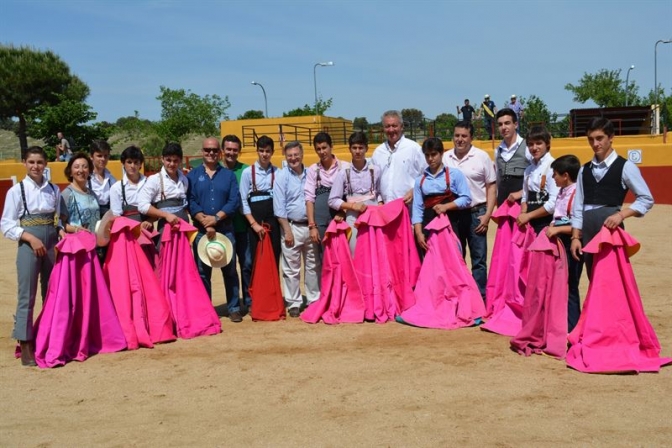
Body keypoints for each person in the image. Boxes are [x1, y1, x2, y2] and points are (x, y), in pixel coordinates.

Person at [1, 146, 62, 366]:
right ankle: (25, 342)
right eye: (31, 162)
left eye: (39, 162)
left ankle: (47, 337)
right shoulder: (17, 191)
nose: (36, 166)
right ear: (24, 163)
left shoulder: (53, 189)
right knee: (27, 293)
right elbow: (6, 224)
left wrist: (59, 233)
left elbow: (60, 218)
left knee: (52, 291)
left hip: (52, 241)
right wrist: (29, 237)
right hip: (29, 243)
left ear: (46, 164)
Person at [570, 117, 654, 277]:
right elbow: (578, 206)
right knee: (592, 277)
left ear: (611, 137)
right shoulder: (584, 170)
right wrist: (575, 237)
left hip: (610, 230)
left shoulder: (626, 166)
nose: (595, 144)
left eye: (599, 138)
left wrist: (621, 215)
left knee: (611, 277)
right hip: (588, 232)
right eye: (591, 139)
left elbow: (646, 198)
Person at [188, 137, 242, 322]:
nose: (211, 153)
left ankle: (234, 306)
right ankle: (205, 308)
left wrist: (216, 218)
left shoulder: (228, 175)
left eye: (214, 150)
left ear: (219, 152)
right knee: (203, 272)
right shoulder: (193, 176)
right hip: (202, 230)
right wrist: (204, 220)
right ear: (202, 152)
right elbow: (191, 201)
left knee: (229, 270)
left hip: (225, 228)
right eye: (207, 150)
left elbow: (234, 201)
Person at [443, 121, 496, 301]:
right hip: (453, 214)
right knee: (456, 257)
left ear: (471, 137)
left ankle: (480, 298)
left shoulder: (482, 157)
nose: (460, 139)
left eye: (464, 136)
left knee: (478, 259)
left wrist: (487, 215)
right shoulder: (445, 158)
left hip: (476, 212)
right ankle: (461, 297)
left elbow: (491, 187)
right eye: (457, 135)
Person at [273, 141, 320, 318]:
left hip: (310, 226)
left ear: (302, 154)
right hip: (292, 226)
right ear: (285, 157)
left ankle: (314, 299)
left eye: (296, 154)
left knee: (313, 265)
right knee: (291, 268)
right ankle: (294, 302)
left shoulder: (311, 173)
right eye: (290, 155)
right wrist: (287, 231)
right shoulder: (282, 176)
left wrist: (313, 225)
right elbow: (279, 206)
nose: (293, 158)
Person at [412, 137, 471, 257]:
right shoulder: (420, 180)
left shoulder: (455, 174)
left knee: (453, 260)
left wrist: (446, 206)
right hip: (428, 225)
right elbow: (417, 208)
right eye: (427, 155)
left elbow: (466, 198)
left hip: (450, 224)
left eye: (433, 154)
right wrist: (418, 232)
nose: (430, 159)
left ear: (441, 153)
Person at [545, 155, 582, 332]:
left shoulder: (577, 194)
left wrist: (558, 229)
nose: (553, 177)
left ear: (565, 175)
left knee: (570, 285)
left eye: (555, 174)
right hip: (560, 243)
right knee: (560, 285)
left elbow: (579, 227)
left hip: (571, 244)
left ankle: (572, 327)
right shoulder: (562, 191)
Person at [328, 131, 382, 254]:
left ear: (366, 149)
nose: (358, 151)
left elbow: (379, 194)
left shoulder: (376, 170)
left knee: (374, 252)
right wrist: (352, 206)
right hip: (353, 216)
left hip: (372, 216)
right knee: (355, 252)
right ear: (350, 149)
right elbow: (332, 200)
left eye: (361, 148)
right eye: (354, 148)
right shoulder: (343, 172)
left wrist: (379, 205)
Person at [221, 134, 253, 313]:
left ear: (239, 151)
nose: (231, 153)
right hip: (224, 228)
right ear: (222, 151)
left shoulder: (246, 170)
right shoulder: (215, 170)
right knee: (230, 267)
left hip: (244, 226)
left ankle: (249, 301)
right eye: (228, 149)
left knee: (247, 264)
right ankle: (233, 304)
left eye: (235, 150)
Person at [239, 135, 281, 266]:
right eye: (262, 150)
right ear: (257, 151)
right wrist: (253, 224)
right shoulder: (247, 172)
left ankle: (273, 286)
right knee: (257, 258)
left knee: (274, 257)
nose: (264, 154)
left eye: (268, 151)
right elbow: (242, 200)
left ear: (272, 152)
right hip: (255, 221)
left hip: (273, 220)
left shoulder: (278, 172)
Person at [371, 110, 426, 204]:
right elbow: (374, 181)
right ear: (383, 128)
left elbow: (426, 174)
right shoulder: (378, 152)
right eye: (387, 126)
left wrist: (414, 191)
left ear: (402, 126)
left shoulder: (414, 148)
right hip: (385, 209)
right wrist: (379, 200)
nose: (391, 129)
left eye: (394, 125)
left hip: (409, 208)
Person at [137, 142, 189, 240]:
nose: (172, 164)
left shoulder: (184, 180)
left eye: (175, 161)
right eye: (168, 160)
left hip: (183, 226)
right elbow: (142, 205)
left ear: (180, 161)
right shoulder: (154, 180)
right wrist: (166, 215)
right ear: (162, 159)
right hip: (166, 228)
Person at [305, 132, 346, 248]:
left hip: (340, 216)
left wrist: (344, 212)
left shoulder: (344, 167)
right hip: (320, 219)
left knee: (342, 251)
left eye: (324, 147)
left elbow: (350, 195)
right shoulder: (313, 170)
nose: (322, 152)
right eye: (318, 149)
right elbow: (309, 199)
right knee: (324, 253)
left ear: (331, 146)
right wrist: (312, 226)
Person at [516, 126, 559, 235]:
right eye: (530, 144)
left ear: (547, 144)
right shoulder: (528, 170)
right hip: (530, 222)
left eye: (538, 143)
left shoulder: (553, 167)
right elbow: (525, 196)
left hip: (547, 222)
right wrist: (523, 214)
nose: (534, 148)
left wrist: (528, 216)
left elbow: (553, 204)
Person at [494, 108, 532, 206]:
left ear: (515, 124)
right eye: (500, 124)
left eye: (507, 123)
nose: (503, 127)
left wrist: (520, 193)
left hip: (522, 201)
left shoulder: (528, 147)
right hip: (503, 201)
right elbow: (498, 177)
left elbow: (537, 174)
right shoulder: (497, 150)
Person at [109, 145, 152, 229]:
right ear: (123, 163)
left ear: (140, 164)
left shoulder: (149, 183)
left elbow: (156, 207)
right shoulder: (116, 188)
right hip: (127, 230)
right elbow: (116, 215)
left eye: (136, 162)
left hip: (147, 230)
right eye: (129, 162)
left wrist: (149, 221)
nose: (132, 166)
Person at [61, 153, 101, 233]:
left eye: (85, 167)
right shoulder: (67, 194)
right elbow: (60, 223)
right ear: (70, 172)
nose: (81, 170)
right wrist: (76, 230)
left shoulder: (92, 194)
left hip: (94, 242)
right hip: (76, 242)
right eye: (76, 167)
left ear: (89, 171)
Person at [88, 140, 116, 216]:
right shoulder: (86, 178)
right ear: (91, 156)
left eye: (105, 156)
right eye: (99, 156)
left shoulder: (112, 179)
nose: (103, 159)